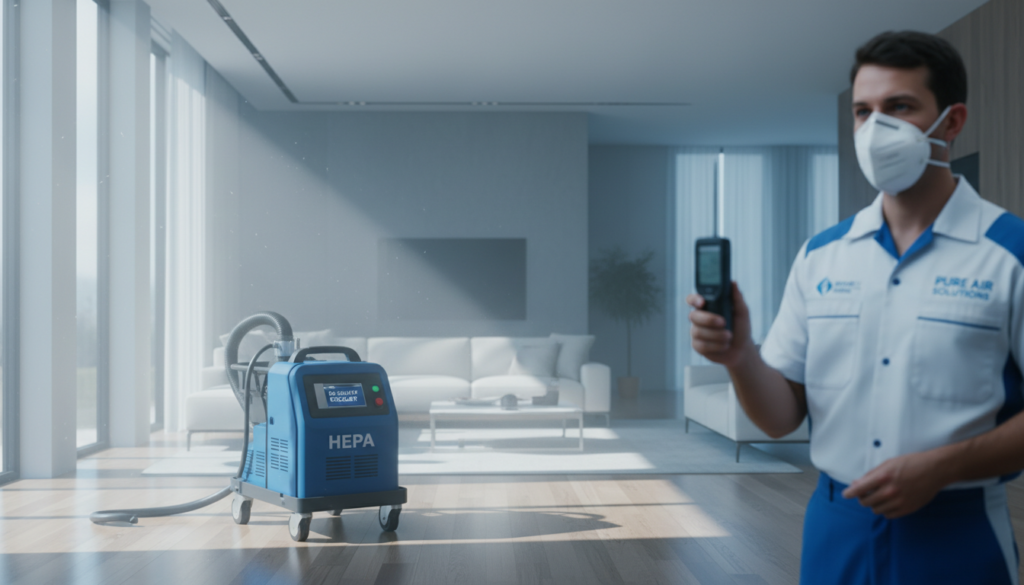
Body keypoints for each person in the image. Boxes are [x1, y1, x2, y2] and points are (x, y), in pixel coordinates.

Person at [688, 30, 1024, 584]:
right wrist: (739, 355)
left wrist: (943, 467)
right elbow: (780, 419)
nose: (875, 131)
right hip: (834, 527)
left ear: (953, 121)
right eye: (862, 112)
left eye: (899, 108)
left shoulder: (1009, 252)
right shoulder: (821, 256)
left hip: (958, 533)